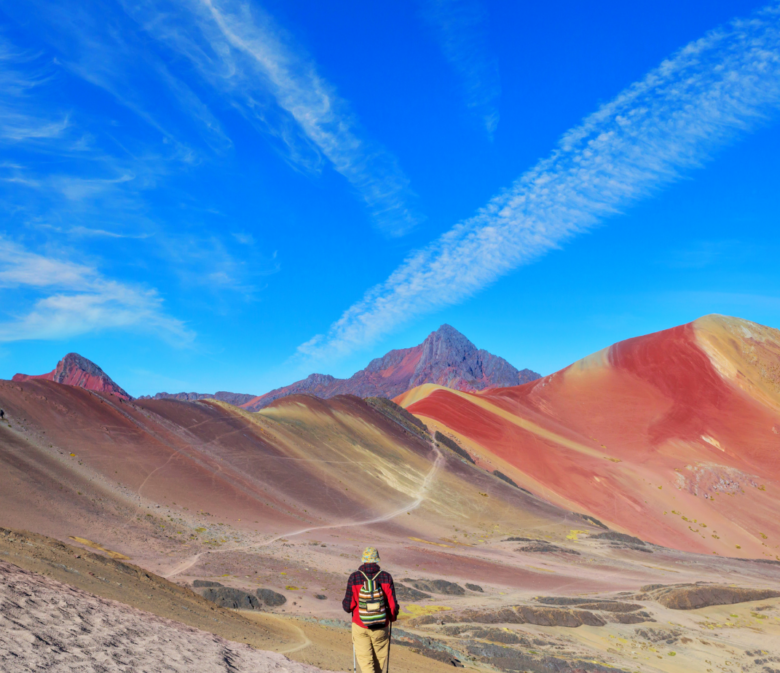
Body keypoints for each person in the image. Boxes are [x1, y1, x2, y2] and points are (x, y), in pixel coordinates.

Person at [342, 547, 399, 672]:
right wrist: (392, 618)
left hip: (360, 625)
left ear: (363, 559)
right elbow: (393, 605)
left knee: (366, 663)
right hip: (381, 626)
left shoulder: (354, 577)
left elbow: (348, 607)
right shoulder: (386, 577)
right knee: (378, 664)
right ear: (377, 560)